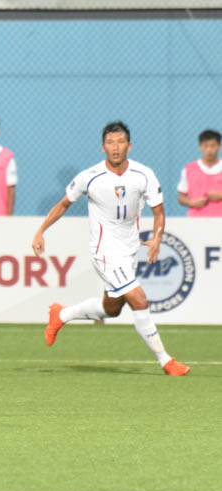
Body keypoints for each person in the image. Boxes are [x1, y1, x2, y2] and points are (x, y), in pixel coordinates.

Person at [31, 121, 190, 376]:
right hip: (104, 252)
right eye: (110, 143)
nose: (115, 147)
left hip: (129, 251)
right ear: (103, 147)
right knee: (139, 298)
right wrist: (41, 230)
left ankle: (61, 315)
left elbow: (158, 212)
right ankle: (166, 360)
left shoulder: (144, 175)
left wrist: (158, 237)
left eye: (120, 142)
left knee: (111, 309)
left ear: (130, 145)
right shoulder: (90, 177)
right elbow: (63, 204)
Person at [177, 129, 222, 216]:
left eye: (213, 146)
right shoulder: (189, 169)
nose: (209, 149)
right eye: (205, 146)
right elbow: (181, 197)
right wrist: (192, 203)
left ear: (219, 146)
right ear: (200, 147)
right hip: (196, 220)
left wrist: (220, 196)